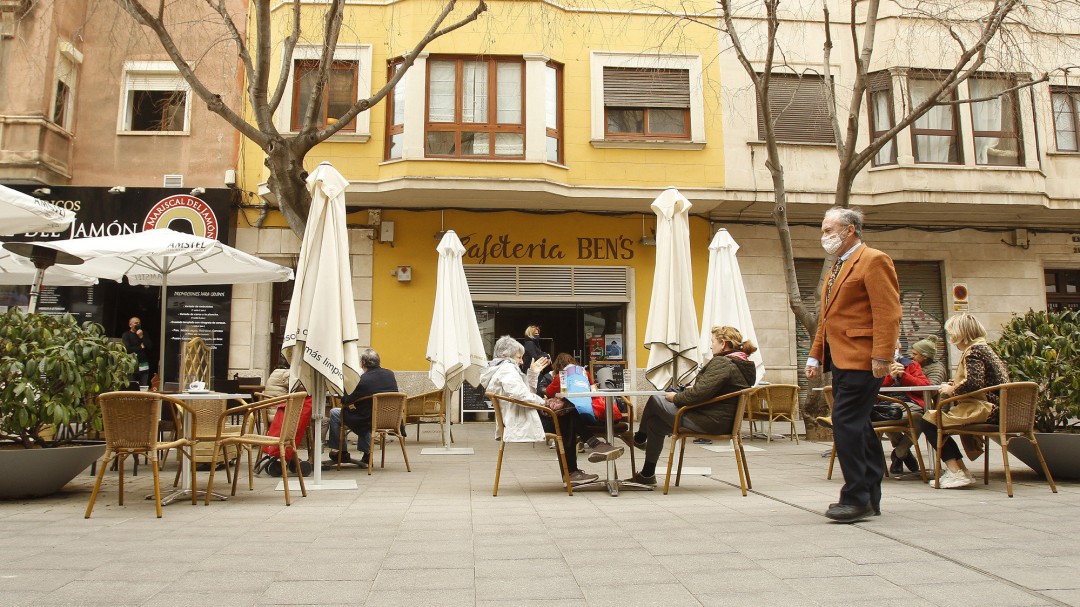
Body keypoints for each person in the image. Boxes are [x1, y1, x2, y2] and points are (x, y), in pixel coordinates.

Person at [806, 206, 902, 523]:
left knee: (845, 423)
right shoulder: (837, 266)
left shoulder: (873, 260)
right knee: (859, 426)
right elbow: (827, 318)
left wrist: (882, 356)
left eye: (828, 230)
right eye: (823, 230)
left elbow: (888, 312)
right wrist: (815, 354)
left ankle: (856, 497)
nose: (824, 236)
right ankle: (870, 497)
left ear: (850, 231)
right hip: (842, 358)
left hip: (863, 358)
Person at [631, 326, 757, 486]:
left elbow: (698, 395)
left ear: (723, 344)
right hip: (722, 421)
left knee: (656, 398)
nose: (711, 346)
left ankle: (639, 438)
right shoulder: (740, 364)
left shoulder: (723, 362)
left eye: (713, 342)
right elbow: (716, 390)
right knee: (654, 424)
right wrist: (695, 389)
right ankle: (647, 475)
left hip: (710, 421)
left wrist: (676, 397)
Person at [480, 336, 600, 485]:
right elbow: (520, 395)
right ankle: (581, 461)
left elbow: (524, 393)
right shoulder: (507, 369)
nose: (521, 361)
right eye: (519, 357)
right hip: (520, 421)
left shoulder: (502, 369)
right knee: (567, 416)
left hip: (519, 418)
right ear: (506, 356)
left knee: (566, 413)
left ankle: (580, 462)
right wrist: (545, 402)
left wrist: (532, 374)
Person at [920, 314, 1009, 489]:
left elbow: (974, 384)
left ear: (960, 333)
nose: (951, 338)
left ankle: (956, 471)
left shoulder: (973, 352)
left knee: (929, 422)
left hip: (987, 409)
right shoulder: (984, 348)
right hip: (999, 408)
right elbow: (980, 380)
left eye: (951, 333)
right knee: (935, 420)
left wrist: (951, 389)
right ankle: (960, 471)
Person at [325, 348, 398, 469]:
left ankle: (341, 451)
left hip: (367, 418)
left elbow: (346, 400)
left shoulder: (362, 379)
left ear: (362, 363)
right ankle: (367, 454)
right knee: (366, 413)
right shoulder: (390, 374)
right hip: (389, 418)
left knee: (335, 413)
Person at [544, 352, 624, 462]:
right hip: (591, 414)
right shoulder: (585, 373)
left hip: (573, 415)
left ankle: (591, 449)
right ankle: (597, 445)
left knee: (568, 415)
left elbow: (549, 392)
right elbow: (593, 389)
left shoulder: (561, 376)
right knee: (570, 416)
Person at [881, 341, 931, 475]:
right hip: (885, 406)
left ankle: (898, 454)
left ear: (899, 348)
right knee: (886, 418)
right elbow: (870, 389)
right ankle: (904, 453)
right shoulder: (876, 366)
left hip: (910, 404)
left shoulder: (911, 364)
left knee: (920, 418)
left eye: (894, 348)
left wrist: (904, 376)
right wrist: (889, 377)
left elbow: (925, 386)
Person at [121, 316, 153, 388]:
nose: (138, 324)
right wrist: (140, 347)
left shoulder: (144, 333)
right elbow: (127, 349)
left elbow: (149, 346)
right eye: (136, 323)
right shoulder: (126, 335)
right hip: (131, 364)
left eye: (139, 323)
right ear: (130, 325)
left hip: (143, 363)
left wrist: (141, 337)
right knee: (131, 386)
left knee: (143, 386)